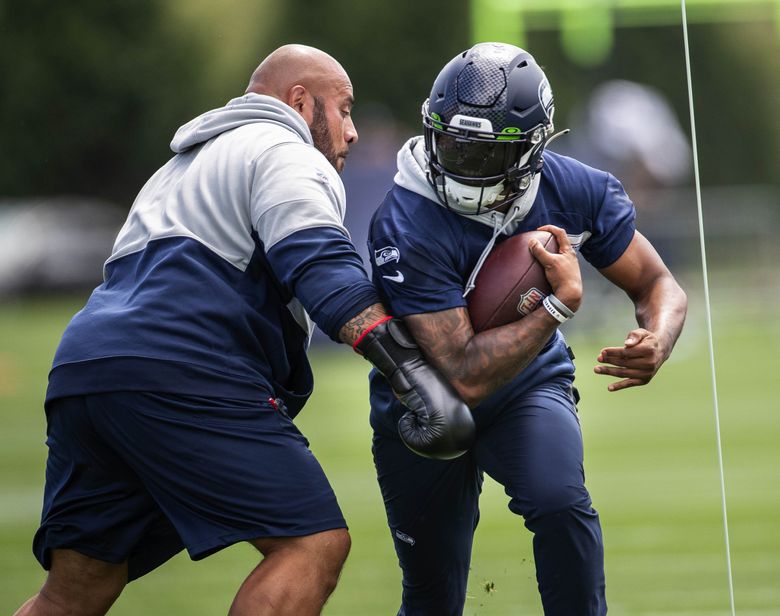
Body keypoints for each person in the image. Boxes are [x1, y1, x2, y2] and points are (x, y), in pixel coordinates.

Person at [15, 44, 472, 616]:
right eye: (345, 110)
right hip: (183, 365)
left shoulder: (172, 171)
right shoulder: (286, 149)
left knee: (73, 593)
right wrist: (417, 378)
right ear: (301, 104)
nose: (352, 133)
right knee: (311, 545)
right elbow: (323, 270)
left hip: (85, 369)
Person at [367, 42, 688, 615]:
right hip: (421, 400)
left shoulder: (573, 188)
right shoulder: (405, 219)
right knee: (432, 594)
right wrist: (558, 305)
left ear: (533, 148)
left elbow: (659, 284)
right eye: (453, 145)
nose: (461, 164)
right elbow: (461, 375)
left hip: (526, 389)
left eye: (484, 153)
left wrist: (659, 336)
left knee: (560, 503)